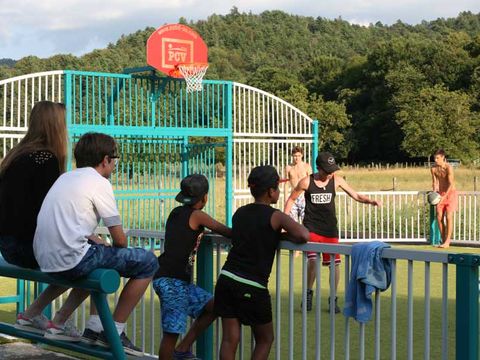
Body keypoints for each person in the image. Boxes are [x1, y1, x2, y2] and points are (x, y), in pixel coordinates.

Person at [33, 132, 159, 356]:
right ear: (105, 160)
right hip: (72, 259)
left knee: (101, 256)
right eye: (115, 160)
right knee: (148, 262)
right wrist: (118, 250)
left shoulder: (65, 178)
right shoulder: (99, 182)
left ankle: (92, 327)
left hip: (44, 257)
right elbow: (120, 239)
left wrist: (95, 240)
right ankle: (114, 331)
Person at [0, 101, 85, 341]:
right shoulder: (45, 159)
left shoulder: (17, 154)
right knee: (91, 261)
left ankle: (32, 313)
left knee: (80, 257)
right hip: (25, 247)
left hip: (8, 245)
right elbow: (48, 212)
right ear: (55, 126)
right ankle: (66, 323)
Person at [214, 165, 309, 360]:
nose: (280, 192)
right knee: (265, 339)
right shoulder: (275, 216)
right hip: (253, 284)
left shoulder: (240, 212)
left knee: (229, 340)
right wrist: (280, 234)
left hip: (226, 279)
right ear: (270, 191)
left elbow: (249, 234)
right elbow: (302, 234)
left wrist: (274, 235)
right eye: (277, 188)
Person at [284, 152, 381, 313]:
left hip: (330, 230)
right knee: (313, 261)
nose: (331, 173)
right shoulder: (306, 182)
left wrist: (370, 201)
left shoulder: (337, 180)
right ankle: (308, 294)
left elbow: (355, 194)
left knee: (335, 264)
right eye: (327, 170)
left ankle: (333, 299)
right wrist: (284, 219)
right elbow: (292, 199)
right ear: (319, 168)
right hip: (311, 229)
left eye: (332, 170)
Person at [153, 174, 232, 360]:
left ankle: (182, 349)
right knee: (171, 334)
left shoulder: (175, 212)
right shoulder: (198, 215)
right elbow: (226, 231)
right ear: (205, 197)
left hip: (174, 280)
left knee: (215, 306)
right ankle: (177, 350)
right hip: (173, 281)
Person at [430, 149, 457, 248]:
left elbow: (451, 184)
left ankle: (448, 241)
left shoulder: (448, 168)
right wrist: (434, 193)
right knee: (439, 216)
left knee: (449, 216)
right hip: (440, 195)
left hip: (450, 194)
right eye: (435, 158)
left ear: (443, 158)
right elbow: (434, 182)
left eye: (437, 158)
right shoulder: (433, 169)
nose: (436, 160)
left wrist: (444, 196)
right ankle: (443, 239)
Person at [284, 146, 312, 224]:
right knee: (292, 222)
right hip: (293, 196)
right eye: (295, 156)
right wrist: (286, 199)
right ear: (292, 156)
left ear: (302, 155)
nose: (297, 158)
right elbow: (286, 184)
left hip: (304, 195)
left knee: (306, 221)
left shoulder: (307, 166)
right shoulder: (288, 168)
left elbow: (311, 182)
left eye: (299, 156)